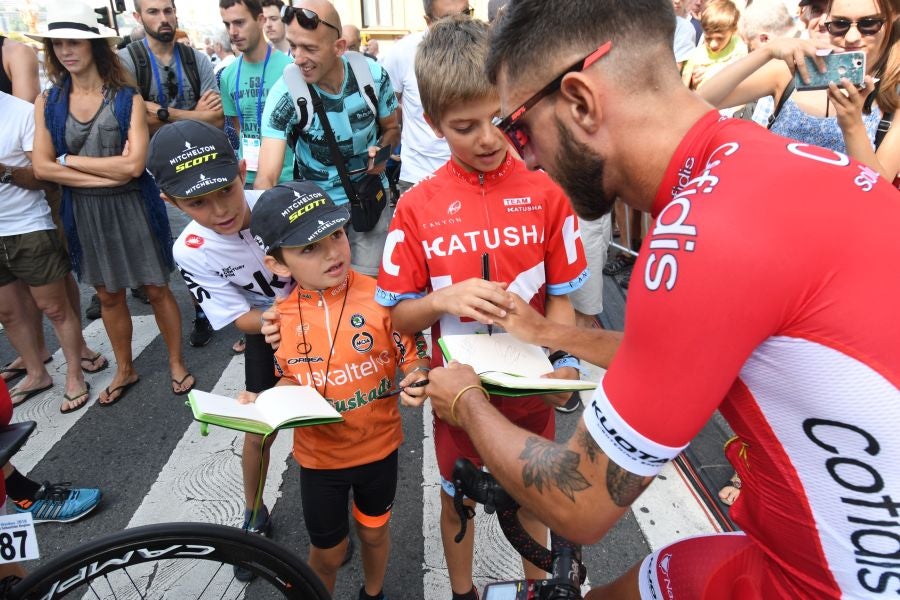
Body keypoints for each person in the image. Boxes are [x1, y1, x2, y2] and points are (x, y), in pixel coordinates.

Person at [421, 1, 900, 599]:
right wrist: (551, 334)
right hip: (813, 542)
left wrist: (464, 398)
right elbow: (686, 349)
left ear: (580, 101)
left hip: (830, 579)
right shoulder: (757, 160)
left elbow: (579, 502)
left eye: (519, 127)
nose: (526, 156)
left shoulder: (696, 237)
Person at [375, 16, 588, 600]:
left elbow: (563, 298)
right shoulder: (417, 206)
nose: (489, 139)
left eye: (498, 119)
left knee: (535, 501)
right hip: (457, 397)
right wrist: (442, 298)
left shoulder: (547, 193)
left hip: (530, 396)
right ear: (431, 123)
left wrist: (562, 369)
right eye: (465, 127)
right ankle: (463, 592)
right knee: (457, 504)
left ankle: (537, 589)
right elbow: (397, 316)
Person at [249, 180, 430, 599]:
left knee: (373, 535)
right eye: (308, 248)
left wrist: (419, 377)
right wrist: (265, 401)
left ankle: (373, 593)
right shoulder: (280, 318)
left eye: (334, 235)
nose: (332, 252)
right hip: (319, 462)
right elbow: (291, 377)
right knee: (327, 554)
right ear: (278, 264)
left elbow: (414, 356)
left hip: (379, 451)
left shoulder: (384, 298)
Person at [145, 120, 292, 581]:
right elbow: (237, 319)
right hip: (266, 329)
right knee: (258, 430)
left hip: (321, 317)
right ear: (170, 203)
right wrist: (283, 321)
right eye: (197, 203)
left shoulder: (278, 205)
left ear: (243, 171)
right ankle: (253, 513)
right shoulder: (189, 249)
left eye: (227, 191)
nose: (220, 210)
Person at [30, 2, 195, 404]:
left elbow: (134, 167)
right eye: (59, 44)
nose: (67, 51)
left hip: (132, 207)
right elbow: (41, 168)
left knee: (156, 288)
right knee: (108, 296)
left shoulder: (126, 99)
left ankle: (176, 362)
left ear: (95, 47)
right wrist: (106, 168)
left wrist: (69, 161)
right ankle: (126, 367)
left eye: (76, 42)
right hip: (85, 213)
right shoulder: (48, 102)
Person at [255, 0, 400, 278]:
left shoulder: (373, 75)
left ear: (339, 47)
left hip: (369, 199)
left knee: (368, 290)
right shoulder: (284, 93)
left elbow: (392, 127)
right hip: (317, 211)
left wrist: (381, 153)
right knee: (331, 294)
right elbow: (267, 177)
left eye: (310, 48)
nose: (297, 58)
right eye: (293, 46)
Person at [119, 0, 226, 347]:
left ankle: (202, 312)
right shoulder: (127, 60)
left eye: (167, 10)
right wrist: (190, 112)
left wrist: (162, 112)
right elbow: (130, 120)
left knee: (195, 243)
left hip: (194, 168)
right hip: (145, 172)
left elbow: (217, 118)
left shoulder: (196, 60)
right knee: (159, 249)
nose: (163, 18)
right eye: (153, 12)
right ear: (138, 17)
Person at [699, 0, 897, 181]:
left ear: (891, 20)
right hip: (768, 211)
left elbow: (880, 187)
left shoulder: (893, 94)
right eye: (840, 24)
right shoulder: (792, 71)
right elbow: (701, 100)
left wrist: (852, 125)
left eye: (869, 24)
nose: (852, 37)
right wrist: (767, 51)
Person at [381, 0, 466, 197]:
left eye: (465, 14)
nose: (459, 26)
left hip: (475, 174)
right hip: (420, 176)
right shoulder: (402, 52)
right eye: (447, 20)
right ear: (428, 21)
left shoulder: (485, 48)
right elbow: (389, 109)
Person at [219, 0, 295, 189]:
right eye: (227, 24)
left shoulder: (290, 69)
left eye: (239, 22)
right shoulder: (228, 75)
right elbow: (238, 126)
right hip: (247, 177)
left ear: (260, 20)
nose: (232, 32)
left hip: (288, 178)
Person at [681, 0, 748, 90]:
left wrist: (710, 72)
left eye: (720, 38)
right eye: (708, 38)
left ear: (733, 30)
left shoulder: (738, 48)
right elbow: (684, 87)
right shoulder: (696, 56)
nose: (713, 44)